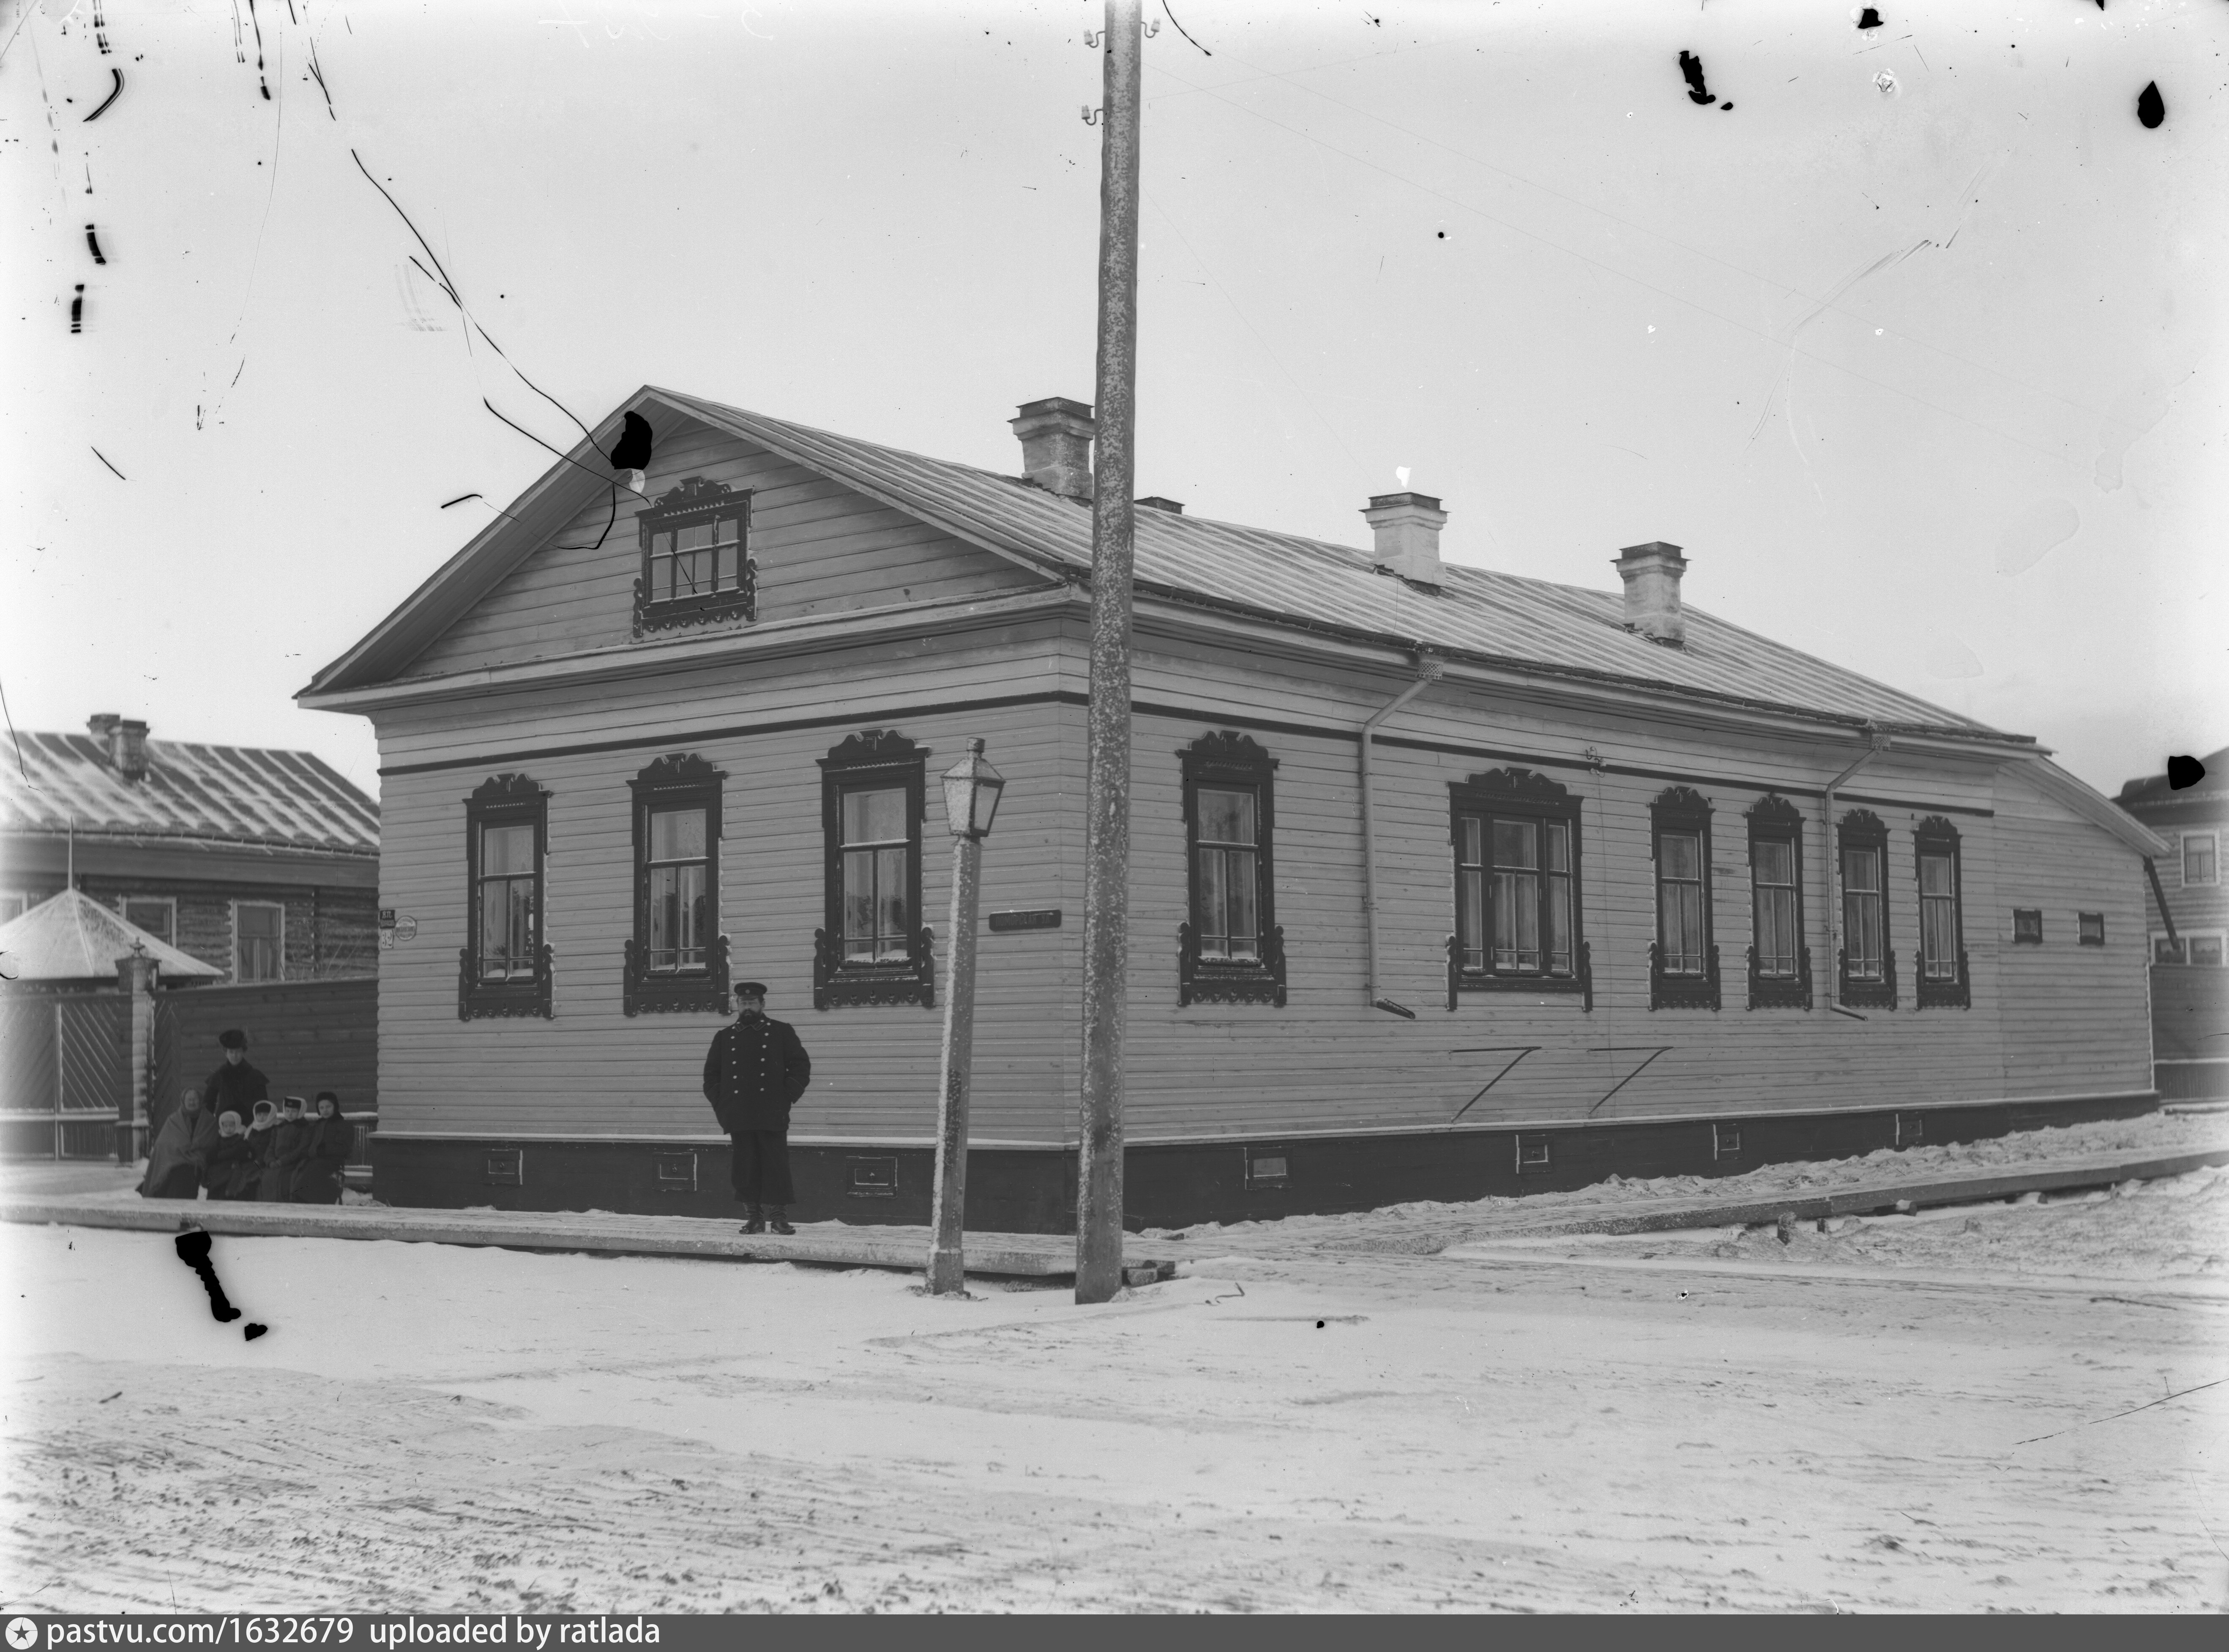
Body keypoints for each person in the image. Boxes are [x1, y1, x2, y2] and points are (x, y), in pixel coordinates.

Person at [702, 982, 812, 1235]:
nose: (747, 1007)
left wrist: (786, 1099)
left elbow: (800, 1066)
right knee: (745, 1168)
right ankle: (754, 1218)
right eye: (743, 1003)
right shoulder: (724, 1037)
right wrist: (722, 1105)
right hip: (739, 1113)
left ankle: (779, 1219)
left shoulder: (781, 1032)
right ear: (737, 1005)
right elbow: (711, 1076)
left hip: (772, 1111)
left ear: (763, 1005)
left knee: (776, 1166)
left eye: (752, 1003)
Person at [137, 1088, 208, 1199]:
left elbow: (209, 1141)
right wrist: (181, 1148)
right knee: (169, 1174)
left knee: (186, 1173)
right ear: (183, 1101)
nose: (192, 1102)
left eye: (195, 1099)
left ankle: (182, 1207)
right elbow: (162, 1143)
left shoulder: (208, 1120)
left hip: (197, 1160)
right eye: (189, 1100)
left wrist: (190, 1149)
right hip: (174, 1158)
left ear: (200, 1101)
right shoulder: (174, 1120)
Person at [291, 1091, 353, 1205]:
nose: (325, 1110)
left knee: (312, 1173)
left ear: (335, 1107)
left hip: (333, 1162)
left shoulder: (343, 1125)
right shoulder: (317, 1125)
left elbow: (344, 1148)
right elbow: (309, 1143)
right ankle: (298, 1200)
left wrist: (324, 1150)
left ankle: (311, 1202)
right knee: (299, 1169)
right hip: (315, 1160)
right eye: (322, 1108)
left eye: (328, 1107)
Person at [202, 1030, 269, 1125]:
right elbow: (208, 1103)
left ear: (243, 1052)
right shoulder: (219, 1076)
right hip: (225, 1126)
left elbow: (263, 1104)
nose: (235, 1056)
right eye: (231, 1052)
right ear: (226, 1053)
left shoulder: (255, 1076)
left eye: (238, 1052)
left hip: (249, 1125)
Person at [260, 1095, 312, 1202]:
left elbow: (301, 1149)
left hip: (294, 1163)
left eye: (294, 1111)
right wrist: (270, 1160)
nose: (289, 1114)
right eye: (287, 1111)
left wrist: (282, 1161)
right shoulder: (279, 1127)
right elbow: (271, 1146)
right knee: (266, 1177)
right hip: (276, 1163)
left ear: (301, 1112)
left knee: (286, 1180)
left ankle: (285, 1205)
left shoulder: (305, 1128)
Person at [200, 1112, 257, 1201]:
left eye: (231, 1126)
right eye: (226, 1126)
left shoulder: (241, 1138)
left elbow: (240, 1152)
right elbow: (211, 1155)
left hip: (232, 1169)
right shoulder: (219, 1139)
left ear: (237, 1125)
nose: (228, 1129)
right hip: (218, 1170)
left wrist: (220, 1156)